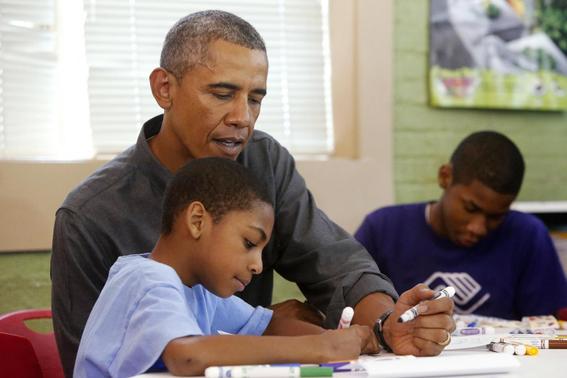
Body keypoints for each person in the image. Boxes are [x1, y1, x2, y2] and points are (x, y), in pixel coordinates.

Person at [52, 10, 454, 376]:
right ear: (164, 88)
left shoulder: (263, 162)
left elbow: (334, 265)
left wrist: (386, 330)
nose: (242, 118)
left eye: (256, 98)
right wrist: (319, 343)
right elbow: (147, 357)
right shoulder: (92, 219)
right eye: (222, 94)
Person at [73, 157, 380, 377]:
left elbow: (269, 326)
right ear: (197, 221)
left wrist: (345, 340)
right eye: (249, 243)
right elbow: (189, 356)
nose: (258, 265)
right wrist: (320, 349)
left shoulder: (200, 292)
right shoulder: (148, 279)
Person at [355, 131, 567, 320]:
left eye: (496, 216)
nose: (478, 227)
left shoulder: (528, 236)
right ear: (445, 177)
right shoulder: (383, 229)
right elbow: (346, 308)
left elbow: (548, 328)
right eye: (471, 208)